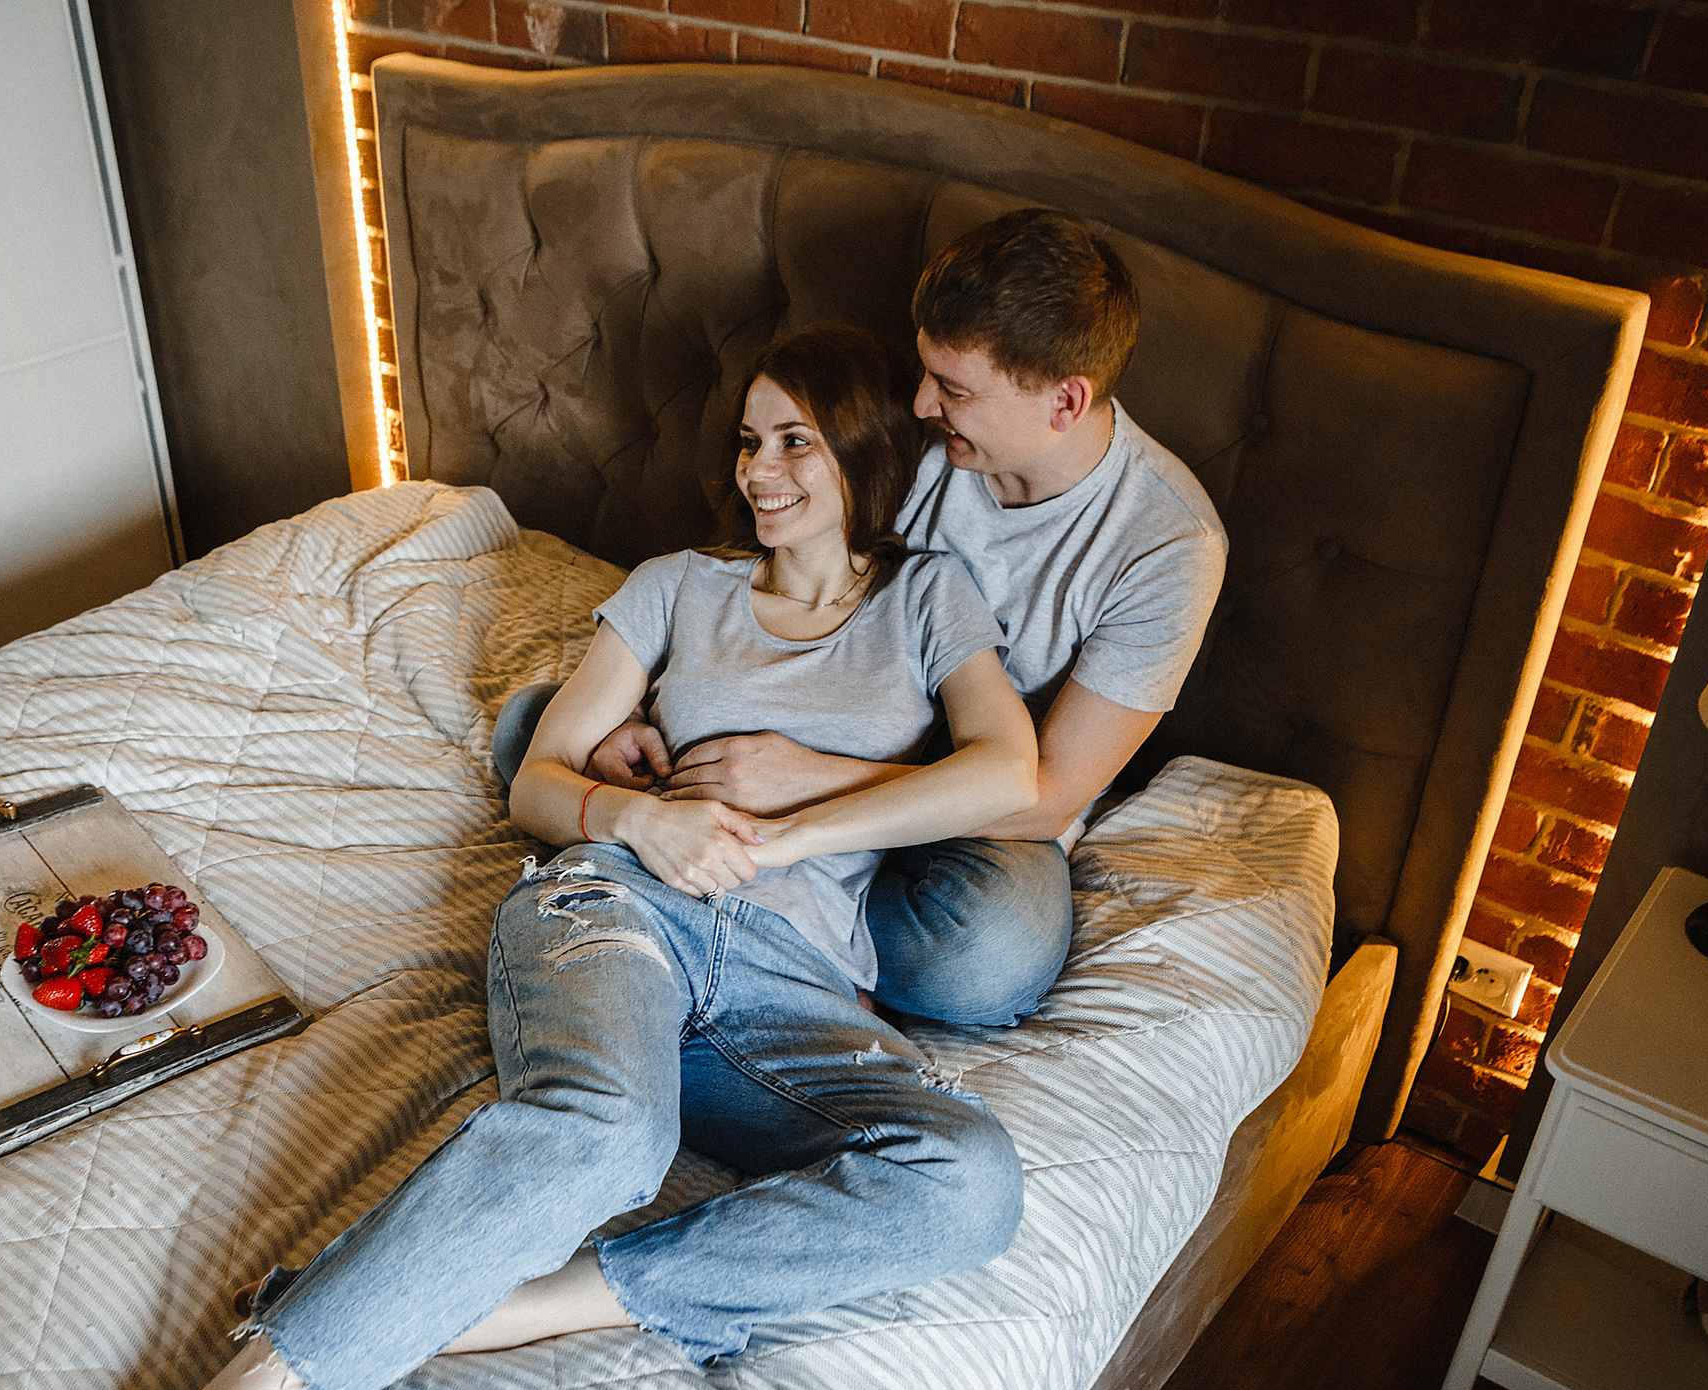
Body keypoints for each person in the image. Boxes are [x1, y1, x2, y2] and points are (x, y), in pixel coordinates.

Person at [0, 324, 1041, 1390]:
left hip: (791, 986)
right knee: (606, 1135)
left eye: (795, 438)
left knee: (970, 1181)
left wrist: (789, 817)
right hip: (618, 905)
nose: (760, 468)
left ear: (863, 447)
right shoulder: (679, 587)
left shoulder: (931, 603)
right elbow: (538, 777)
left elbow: (1004, 774)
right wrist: (643, 817)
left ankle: (509, 1304)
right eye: (747, 439)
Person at [520, 208, 1227, 1030]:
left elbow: (1038, 793)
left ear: (1065, 401)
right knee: (557, 741)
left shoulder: (1168, 542)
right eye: (927, 373)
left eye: (955, 388)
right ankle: (753, 899)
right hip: (810, 723)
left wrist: (807, 777)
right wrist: (636, 715)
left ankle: (793, 925)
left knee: (992, 953)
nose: (923, 401)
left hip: (974, 813)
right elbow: (758, 571)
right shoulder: (923, 441)